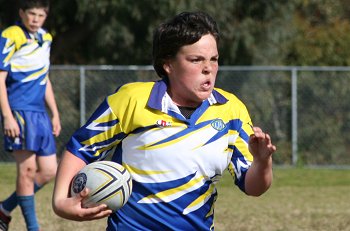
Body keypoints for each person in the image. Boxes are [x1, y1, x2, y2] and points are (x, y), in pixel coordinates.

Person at [52, 11, 276, 230]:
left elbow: (253, 186)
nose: (208, 68)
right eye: (196, 60)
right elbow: (81, 148)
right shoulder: (132, 100)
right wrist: (61, 202)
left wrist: (262, 162)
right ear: (168, 65)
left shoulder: (232, 111)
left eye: (214, 59)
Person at [0, 0, 61, 230]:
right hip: (19, 111)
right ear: (21, 13)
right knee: (26, 171)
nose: (35, 19)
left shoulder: (46, 38)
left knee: (48, 171)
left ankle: (4, 209)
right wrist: (7, 115)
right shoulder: (11, 35)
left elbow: (44, 78)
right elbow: (0, 78)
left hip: (40, 114)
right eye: (31, 14)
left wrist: (54, 113)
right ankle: (33, 228)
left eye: (41, 15)